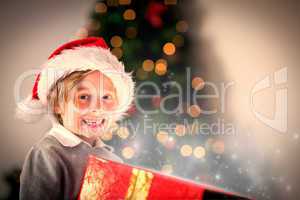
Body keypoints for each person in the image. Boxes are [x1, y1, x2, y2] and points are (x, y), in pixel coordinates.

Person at [16, 37, 135, 199]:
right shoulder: (48, 153)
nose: (97, 108)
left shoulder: (113, 160)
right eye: (84, 96)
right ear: (56, 104)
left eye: (106, 97)